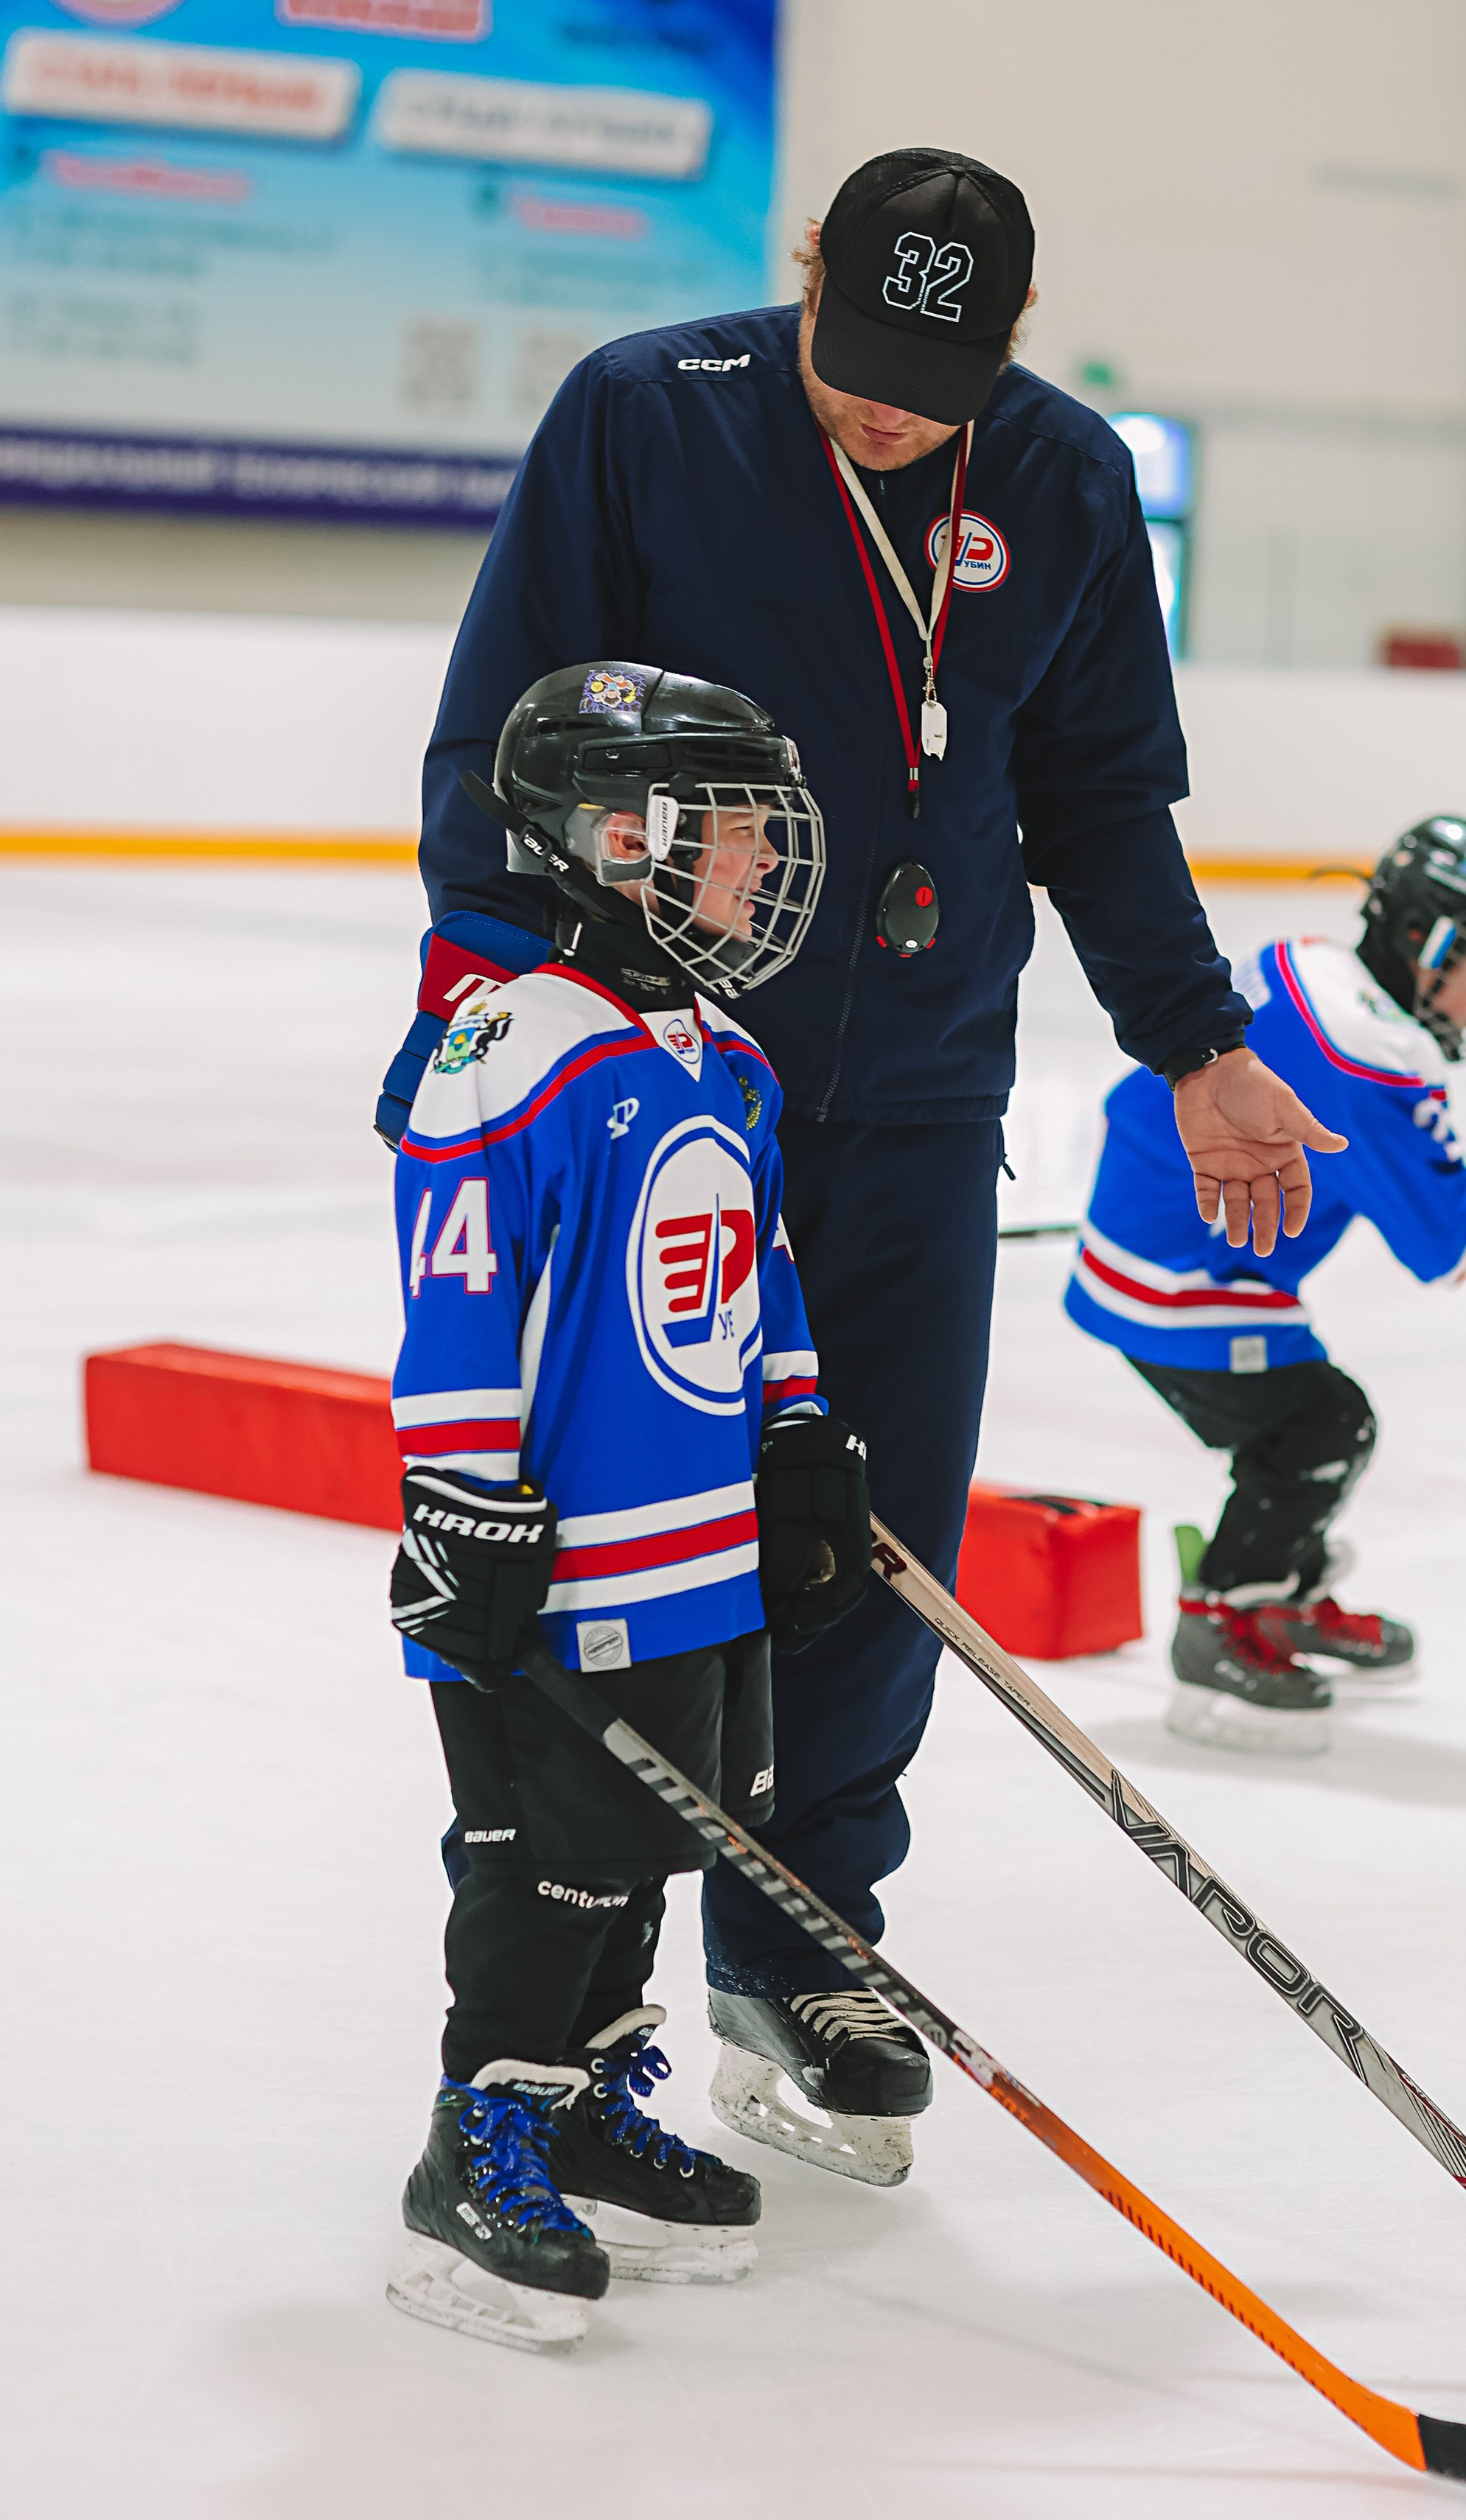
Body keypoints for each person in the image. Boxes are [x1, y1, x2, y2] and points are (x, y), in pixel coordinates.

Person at [377, 145, 1340, 2181]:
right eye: (860, 347)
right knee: (633, 1558)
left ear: (1008, 340)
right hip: (658, 1084)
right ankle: (572, 2023)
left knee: (869, 1528)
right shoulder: (652, 415)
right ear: (803, 275)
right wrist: (493, 1019)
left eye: (940, 369)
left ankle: (804, 1943)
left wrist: (1201, 1047)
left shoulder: (1062, 481)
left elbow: (1096, 795)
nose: (891, 402)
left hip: (912, 1087)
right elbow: (499, 737)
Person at [384, 659, 878, 2353]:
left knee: (655, 1841)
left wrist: (798, 1435)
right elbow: (457, 1292)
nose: (756, 865)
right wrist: (462, 1511)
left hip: (697, 1555)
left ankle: (587, 2097)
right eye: (726, 831)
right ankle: (482, 2139)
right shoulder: (508, 1043)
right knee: (547, 1866)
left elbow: (762, 1276)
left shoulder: (717, 1054)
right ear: (609, 834)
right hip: (552, 1554)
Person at [1064, 816, 1466, 1756]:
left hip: (1152, 1237)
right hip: (1179, 1280)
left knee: (1298, 1421)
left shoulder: (1305, 963)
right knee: (1317, 1429)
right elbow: (1446, 1239)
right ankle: (1224, 1618)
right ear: (1434, 945)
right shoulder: (1372, 1052)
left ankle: (1284, 1588)